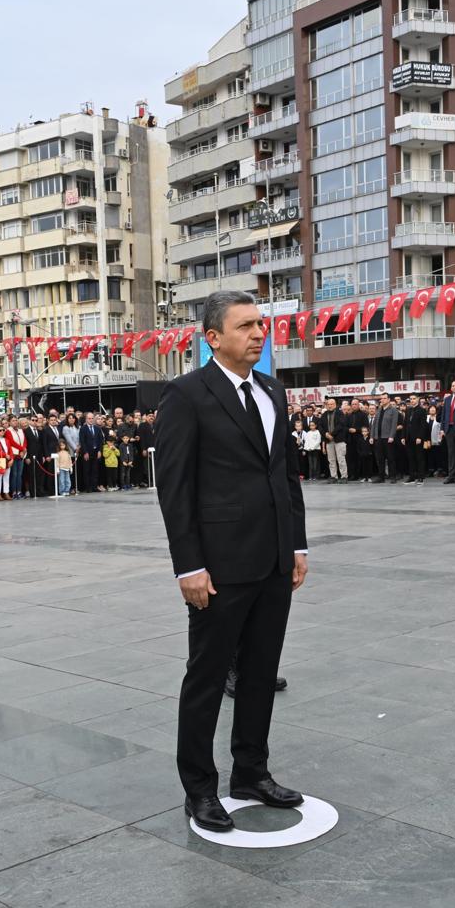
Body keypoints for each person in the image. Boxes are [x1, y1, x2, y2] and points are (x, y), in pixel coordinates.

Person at [155, 290, 308, 834]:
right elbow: (175, 488)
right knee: (208, 676)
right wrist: (188, 566)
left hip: (272, 560)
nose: (259, 334)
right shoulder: (186, 395)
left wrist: (298, 544)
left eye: (261, 325)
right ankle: (199, 787)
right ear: (213, 337)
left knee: (261, 673)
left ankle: (251, 771)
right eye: (245, 326)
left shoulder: (273, 390)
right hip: (218, 567)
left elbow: (284, 474)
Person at [371, 392, 400, 483]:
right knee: (380, 459)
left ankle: (393, 476)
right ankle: (381, 477)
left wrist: (392, 436)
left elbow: (394, 424)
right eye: (381, 398)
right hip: (378, 437)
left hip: (388, 437)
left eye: (384, 398)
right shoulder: (379, 409)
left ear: (388, 400)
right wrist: (372, 436)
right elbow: (374, 424)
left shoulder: (393, 410)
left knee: (390, 458)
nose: (382, 400)